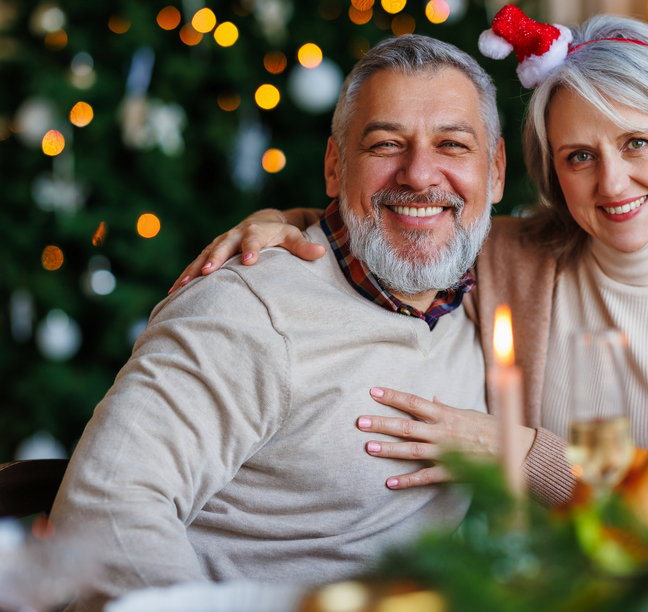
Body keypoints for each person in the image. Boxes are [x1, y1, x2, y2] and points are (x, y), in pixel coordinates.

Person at [174, 9, 648, 499]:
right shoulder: (507, 257)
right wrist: (284, 221)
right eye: (580, 157)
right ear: (550, 171)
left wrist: (521, 452)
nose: (612, 183)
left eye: (638, 144)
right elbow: (399, 216)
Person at [51, 35, 514, 611]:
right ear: (334, 166)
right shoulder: (249, 311)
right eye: (386, 144)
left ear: (494, 170)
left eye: (452, 144)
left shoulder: (494, 284)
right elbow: (102, 509)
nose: (420, 175)